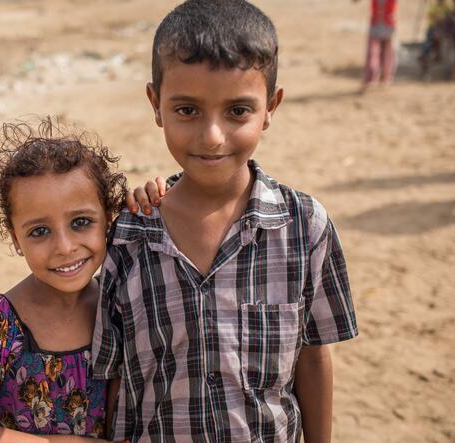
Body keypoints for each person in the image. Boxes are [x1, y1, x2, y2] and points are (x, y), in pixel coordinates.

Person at [92, 1, 359, 442]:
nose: (212, 136)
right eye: (187, 110)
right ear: (155, 104)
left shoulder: (304, 227)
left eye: (238, 111)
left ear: (271, 107)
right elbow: (114, 376)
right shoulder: (130, 235)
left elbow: (312, 357)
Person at [0, 118, 156, 441]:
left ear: (109, 219)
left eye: (82, 222)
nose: (64, 247)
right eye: (39, 231)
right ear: (15, 238)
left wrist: (153, 203)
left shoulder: (119, 303)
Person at [354, 0, 398, 90]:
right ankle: (374, 77)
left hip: (386, 22)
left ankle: (383, 77)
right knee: (375, 52)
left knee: (385, 52)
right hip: (380, 22)